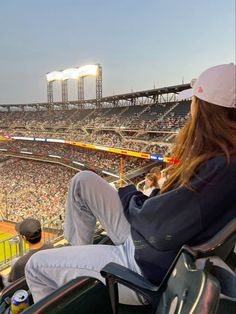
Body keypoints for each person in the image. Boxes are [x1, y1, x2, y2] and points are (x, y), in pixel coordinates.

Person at [25, 63, 236, 305]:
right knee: (82, 181)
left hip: (142, 268)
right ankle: (76, 263)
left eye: (195, 100)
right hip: (148, 245)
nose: (191, 108)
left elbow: (156, 226)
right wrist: (144, 197)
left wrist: (129, 194)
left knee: (35, 267)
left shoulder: (223, 166)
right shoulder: (221, 160)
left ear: (207, 110)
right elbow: (166, 214)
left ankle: (73, 287)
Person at [7, 218, 53, 282]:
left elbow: (11, 282)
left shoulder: (20, 263)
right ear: (41, 232)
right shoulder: (51, 247)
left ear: (24, 238)